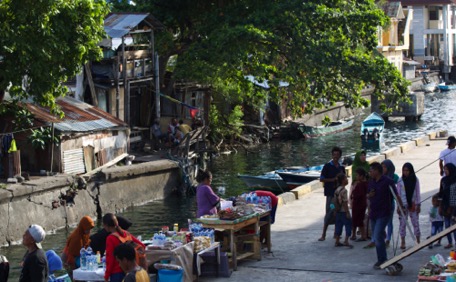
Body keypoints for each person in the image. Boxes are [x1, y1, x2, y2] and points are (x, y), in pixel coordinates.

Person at [367, 162, 397, 270]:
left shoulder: (388, 181)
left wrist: (400, 207)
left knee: (378, 235)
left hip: (384, 213)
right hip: (373, 213)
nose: (370, 172)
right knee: (377, 237)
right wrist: (369, 196)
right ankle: (381, 257)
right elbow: (367, 195)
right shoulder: (371, 182)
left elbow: (395, 194)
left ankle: (382, 259)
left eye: (371, 170)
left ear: (376, 171)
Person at [104, 213, 145, 282]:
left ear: (106, 226)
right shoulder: (126, 234)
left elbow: (110, 260)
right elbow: (142, 246)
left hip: (116, 274)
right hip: (130, 271)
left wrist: (106, 276)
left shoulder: (110, 238)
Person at [318, 146, 345, 241]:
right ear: (332, 155)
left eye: (337, 155)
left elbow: (344, 180)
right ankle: (323, 234)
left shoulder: (341, 167)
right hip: (330, 195)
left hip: (339, 195)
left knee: (338, 213)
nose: (335, 156)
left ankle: (336, 233)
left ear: (340, 156)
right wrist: (332, 180)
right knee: (330, 211)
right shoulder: (327, 166)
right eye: (334, 155)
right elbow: (321, 179)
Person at [397, 162, 421, 249]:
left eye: (407, 170)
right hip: (403, 205)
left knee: (415, 223)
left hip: (413, 204)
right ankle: (403, 241)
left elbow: (418, 193)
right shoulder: (400, 181)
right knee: (402, 224)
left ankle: (418, 239)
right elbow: (398, 194)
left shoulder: (415, 180)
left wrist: (419, 204)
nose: (405, 172)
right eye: (404, 170)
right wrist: (398, 206)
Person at [382, 159, 400, 247]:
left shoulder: (395, 177)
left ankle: (388, 239)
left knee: (389, 221)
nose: (383, 169)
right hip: (381, 202)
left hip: (390, 202)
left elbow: (399, 189)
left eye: (384, 167)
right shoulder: (380, 177)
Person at [439, 163, 456, 249]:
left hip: (454, 207)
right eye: (444, 169)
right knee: (447, 226)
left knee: (454, 226)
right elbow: (441, 193)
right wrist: (440, 206)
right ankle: (450, 242)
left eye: (447, 169)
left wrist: (451, 207)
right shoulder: (443, 180)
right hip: (445, 205)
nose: (445, 171)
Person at [334, 173, 353, 248]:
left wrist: (334, 210)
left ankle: (337, 241)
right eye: (345, 178)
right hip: (343, 211)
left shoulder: (337, 189)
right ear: (342, 181)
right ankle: (346, 241)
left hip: (338, 211)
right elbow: (345, 202)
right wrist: (347, 212)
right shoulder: (344, 190)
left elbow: (333, 201)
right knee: (348, 225)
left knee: (338, 226)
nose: (347, 179)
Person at [350, 168, 368, 242]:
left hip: (359, 204)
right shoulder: (364, 183)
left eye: (357, 175)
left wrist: (354, 195)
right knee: (357, 219)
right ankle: (355, 234)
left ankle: (363, 235)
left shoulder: (361, 184)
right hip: (360, 204)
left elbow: (359, 194)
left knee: (359, 220)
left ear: (361, 176)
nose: (356, 177)